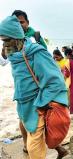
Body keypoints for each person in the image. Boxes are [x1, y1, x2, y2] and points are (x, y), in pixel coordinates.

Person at [0, 15, 68, 159]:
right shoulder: (15, 55)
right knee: (34, 142)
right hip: (24, 104)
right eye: (2, 41)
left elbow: (56, 81)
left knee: (33, 146)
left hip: (37, 105)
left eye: (6, 40)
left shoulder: (36, 53)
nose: (4, 45)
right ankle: (60, 150)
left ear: (15, 37)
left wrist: (41, 102)